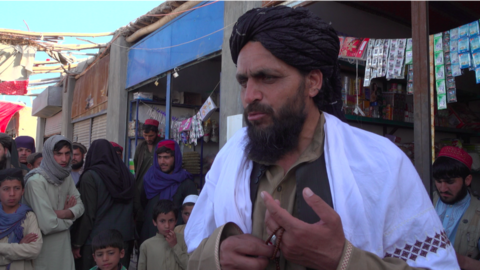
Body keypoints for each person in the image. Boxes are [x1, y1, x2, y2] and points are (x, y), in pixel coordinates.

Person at [185, 6, 459, 270]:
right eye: (244, 82)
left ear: (313, 82)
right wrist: (215, 258)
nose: (249, 96)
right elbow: (193, 249)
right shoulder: (230, 158)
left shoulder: (382, 163)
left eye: (266, 77)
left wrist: (343, 260)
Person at [71, 139, 135, 270]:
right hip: (123, 240)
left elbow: (88, 214)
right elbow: (137, 209)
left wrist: (77, 243)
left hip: (97, 243)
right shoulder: (127, 176)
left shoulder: (91, 176)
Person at [23, 135, 85, 270]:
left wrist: (62, 213)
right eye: (58, 154)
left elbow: (80, 206)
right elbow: (48, 225)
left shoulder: (65, 176)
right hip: (43, 249)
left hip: (64, 246)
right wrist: (70, 218)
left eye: (67, 153)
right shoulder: (36, 181)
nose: (64, 159)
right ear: (48, 154)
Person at [139, 140, 197, 244]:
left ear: (176, 158)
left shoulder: (186, 183)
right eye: (159, 157)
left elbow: (193, 215)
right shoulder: (149, 179)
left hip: (175, 241)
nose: (162, 162)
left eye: (166, 157)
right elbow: (141, 204)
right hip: (150, 237)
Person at [433, 146, 480, 270]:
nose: (443, 189)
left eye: (450, 182)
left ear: (468, 180)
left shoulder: (478, 214)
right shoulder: (424, 201)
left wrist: (463, 262)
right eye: (438, 181)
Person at [0, 168, 42, 270]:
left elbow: (34, 249)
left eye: (17, 188)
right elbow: (26, 250)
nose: (12, 194)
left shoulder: (28, 216)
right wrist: (19, 245)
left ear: (23, 190)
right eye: (6, 189)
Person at [138, 200, 188, 270]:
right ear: (155, 222)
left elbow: (189, 266)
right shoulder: (146, 246)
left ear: (176, 221)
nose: (167, 226)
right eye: (162, 221)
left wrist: (175, 246)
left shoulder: (184, 240)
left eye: (171, 220)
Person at [133, 119, 162, 231]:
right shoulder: (140, 147)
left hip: (157, 186)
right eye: (145, 135)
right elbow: (133, 164)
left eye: (151, 135)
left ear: (157, 133)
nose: (148, 139)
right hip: (141, 186)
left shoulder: (161, 144)